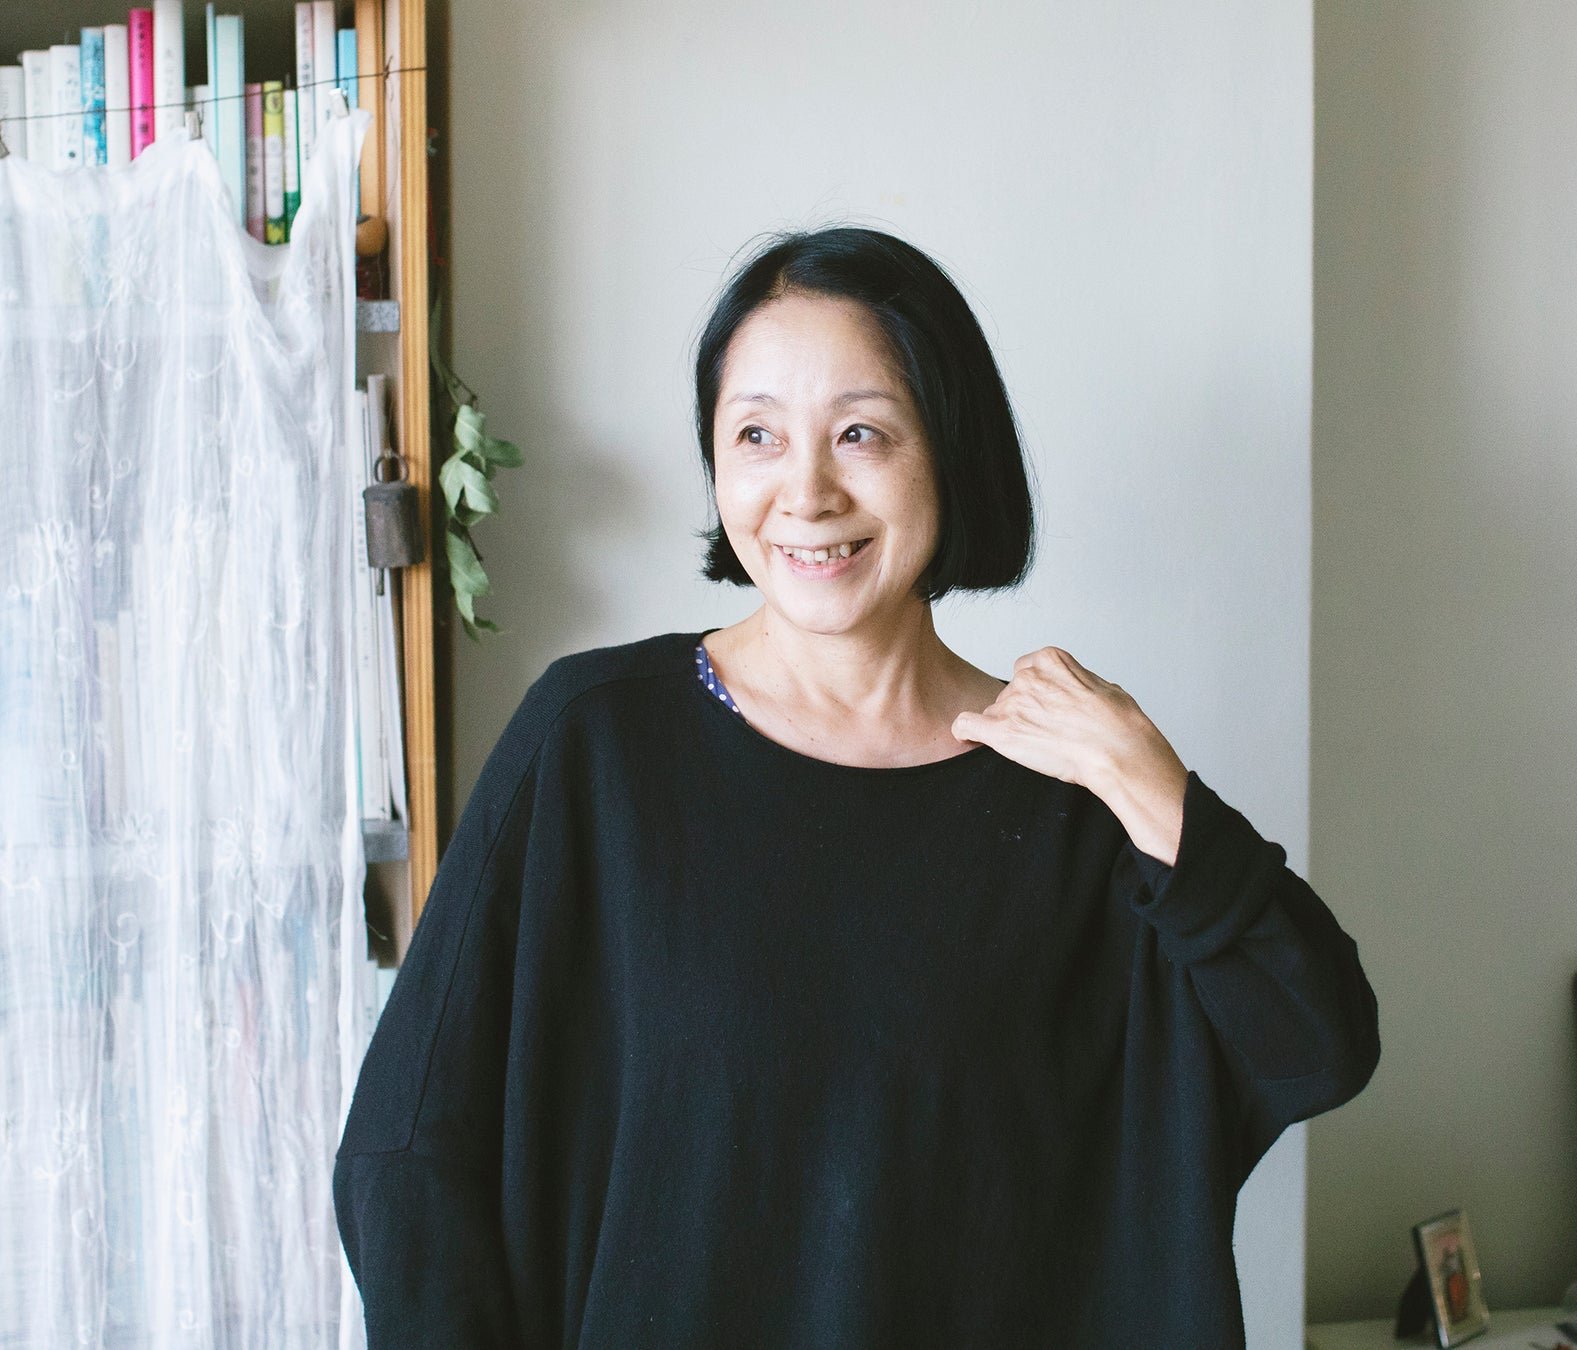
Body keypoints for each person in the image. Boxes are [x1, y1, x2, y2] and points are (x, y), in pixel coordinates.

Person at [333, 226, 1379, 1348]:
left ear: (950, 452)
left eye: (860, 433)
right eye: (757, 435)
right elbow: (405, 1154)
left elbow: (1317, 1043)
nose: (806, 490)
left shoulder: (1071, 792)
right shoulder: (592, 744)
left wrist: (1150, 782)